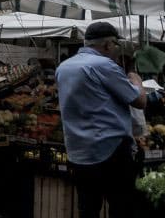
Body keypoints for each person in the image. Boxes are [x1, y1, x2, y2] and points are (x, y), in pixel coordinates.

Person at [56, 22, 146, 218]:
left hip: (78, 151)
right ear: (107, 44)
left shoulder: (63, 67)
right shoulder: (104, 65)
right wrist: (135, 79)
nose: (115, 50)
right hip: (110, 149)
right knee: (121, 207)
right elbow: (139, 101)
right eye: (115, 45)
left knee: (88, 208)